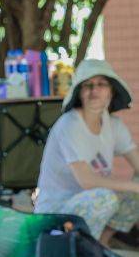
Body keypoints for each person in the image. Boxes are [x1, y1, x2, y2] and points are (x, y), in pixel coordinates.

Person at [35, 59, 139, 244]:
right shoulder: (70, 125)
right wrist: (134, 186)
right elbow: (87, 181)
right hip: (56, 213)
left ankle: (100, 245)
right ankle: (75, 248)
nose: (94, 90)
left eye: (101, 84)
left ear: (111, 91)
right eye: (87, 85)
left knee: (130, 195)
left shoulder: (114, 125)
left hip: (89, 204)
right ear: (79, 93)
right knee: (105, 198)